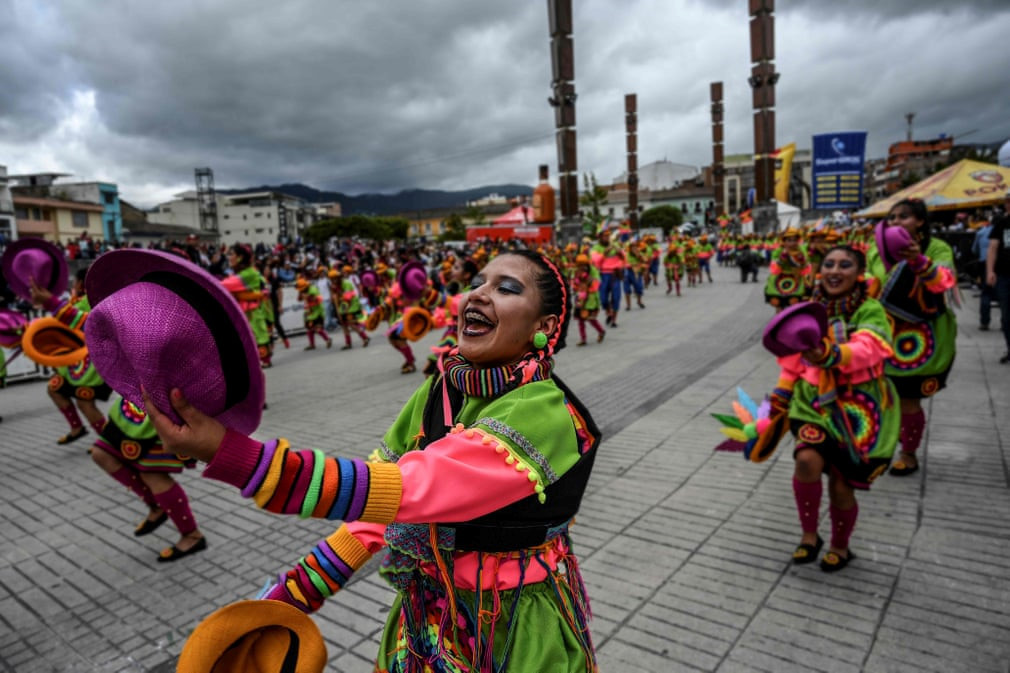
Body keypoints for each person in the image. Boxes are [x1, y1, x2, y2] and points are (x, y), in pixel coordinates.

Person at [145, 249, 601, 672]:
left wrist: (234, 455)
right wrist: (290, 596)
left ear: (546, 324)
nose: (477, 294)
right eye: (477, 283)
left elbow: (410, 490)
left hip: (512, 631)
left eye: (506, 288)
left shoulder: (547, 412)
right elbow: (375, 512)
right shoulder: (439, 391)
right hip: (424, 623)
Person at [775, 246, 899, 571]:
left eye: (845, 265)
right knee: (806, 460)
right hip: (813, 403)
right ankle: (809, 536)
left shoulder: (870, 309)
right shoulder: (809, 310)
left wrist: (832, 355)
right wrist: (781, 392)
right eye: (829, 264)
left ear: (859, 274)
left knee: (842, 483)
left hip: (859, 406)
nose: (834, 270)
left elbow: (870, 346)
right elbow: (793, 358)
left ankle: (840, 546)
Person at [867, 198, 957, 476]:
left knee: (908, 399)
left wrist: (918, 261)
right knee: (881, 395)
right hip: (882, 333)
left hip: (919, 339)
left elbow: (944, 282)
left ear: (920, 221)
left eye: (903, 216)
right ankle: (883, 444)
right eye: (892, 217)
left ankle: (908, 452)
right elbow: (867, 281)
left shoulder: (936, 248)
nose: (895, 221)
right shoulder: (875, 249)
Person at [987, 191, 1010, 364]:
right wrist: (990, 271)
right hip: (1004, 274)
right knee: (1006, 315)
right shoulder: (1002, 223)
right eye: (1007, 201)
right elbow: (993, 248)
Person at [973, 216, 994, 331]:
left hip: (984, 263)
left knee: (986, 292)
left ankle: (984, 322)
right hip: (1001, 264)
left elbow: (974, 249)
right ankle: (1005, 322)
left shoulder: (981, 233)